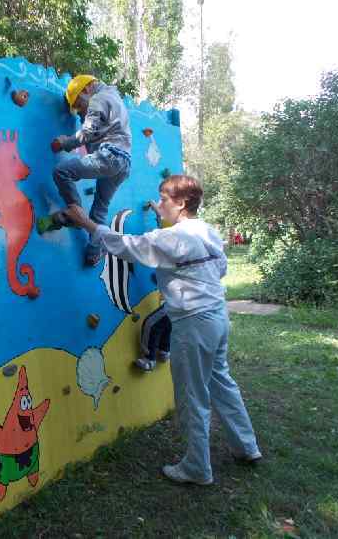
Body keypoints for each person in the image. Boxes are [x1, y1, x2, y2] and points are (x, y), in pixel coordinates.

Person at [65, 175, 261, 485]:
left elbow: (129, 246)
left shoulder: (173, 238)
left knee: (192, 394)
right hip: (217, 317)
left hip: (193, 323)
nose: (160, 204)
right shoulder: (205, 230)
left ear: (181, 203)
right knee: (221, 382)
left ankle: (197, 467)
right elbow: (217, 267)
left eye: (165, 199)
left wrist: (87, 223)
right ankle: (247, 447)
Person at [38, 74, 132, 267]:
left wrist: (65, 142)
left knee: (62, 171)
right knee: (100, 209)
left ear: (87, 89)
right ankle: (93, 254)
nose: (81, 112)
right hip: (123, 163)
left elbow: (88, 132)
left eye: (80, 106)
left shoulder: (97, 99)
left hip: (109, 156)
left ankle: (76, 212)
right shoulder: (114, 99)